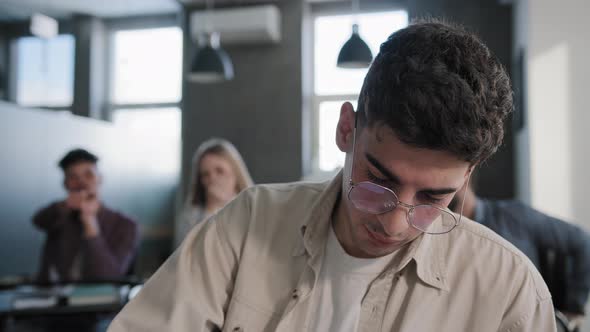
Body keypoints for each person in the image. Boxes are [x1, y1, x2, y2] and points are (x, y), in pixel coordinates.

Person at [108, 20, 556, 331]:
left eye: (433, 200)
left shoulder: (507, 290)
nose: (394, 222)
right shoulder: (246, 226)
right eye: (378, 181)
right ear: (346, 129)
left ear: (468, 176)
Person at [450, 180, 590, 330]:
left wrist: (572, 310)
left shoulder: (512, 216)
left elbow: (583, 242)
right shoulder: (446, 236)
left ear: (465, 180)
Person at [33, 149, 139, 282]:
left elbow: (109, 277)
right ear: (65, 184)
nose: (81, 182)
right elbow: (38, 220)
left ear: (100, 178)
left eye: (88, 175)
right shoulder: (59, 215)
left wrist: (90, 222)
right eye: (73, 177)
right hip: (54, 297)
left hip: (103, 299)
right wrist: (66, 205)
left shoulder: (125, 225)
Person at [174, 138, 254, 247]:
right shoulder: (190, 217)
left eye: (219, 171)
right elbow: (182, 256)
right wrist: (211, 210)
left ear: (236, 173)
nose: (212, 178)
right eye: (205, 174)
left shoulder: (252, 209)